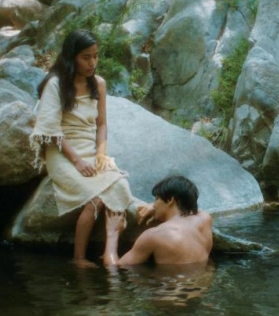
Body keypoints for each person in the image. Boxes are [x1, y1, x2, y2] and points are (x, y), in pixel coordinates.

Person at [30, 29, 139, 268]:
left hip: (89, 147)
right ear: (72, 57)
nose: (92, 63)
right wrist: (77, 161)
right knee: (97, 198)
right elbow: (51, 131)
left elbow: (102, 124)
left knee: (119, 186)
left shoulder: (98, 83)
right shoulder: (56, 84)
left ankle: (109, 252)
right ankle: (78, 259)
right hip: (62, 151)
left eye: (95, 56)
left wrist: (101, 153)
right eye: (86, 57)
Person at [102, 175, 213, 267]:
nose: (154, 204)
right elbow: (194, 210)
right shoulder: (205, 219)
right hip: (201, 283)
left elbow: (113, 267)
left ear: (170, 200)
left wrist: (113, 232)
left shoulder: (156, 235)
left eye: (156, 199)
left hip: (170, 287)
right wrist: (157, 207)